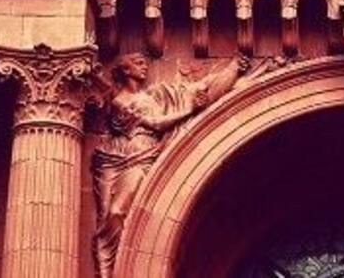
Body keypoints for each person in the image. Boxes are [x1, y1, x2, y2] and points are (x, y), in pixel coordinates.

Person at [91, 52, 261, 278]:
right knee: (112, 215)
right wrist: (191, 110)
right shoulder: (119, 101)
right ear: (124, 70)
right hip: (115, 160)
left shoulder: (157, 96)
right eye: (138, 63)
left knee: (118, 212)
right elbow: (156, 124)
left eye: (145, 63)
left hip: (143, 156)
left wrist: (232, 70)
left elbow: (199, 88)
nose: (144, 67)